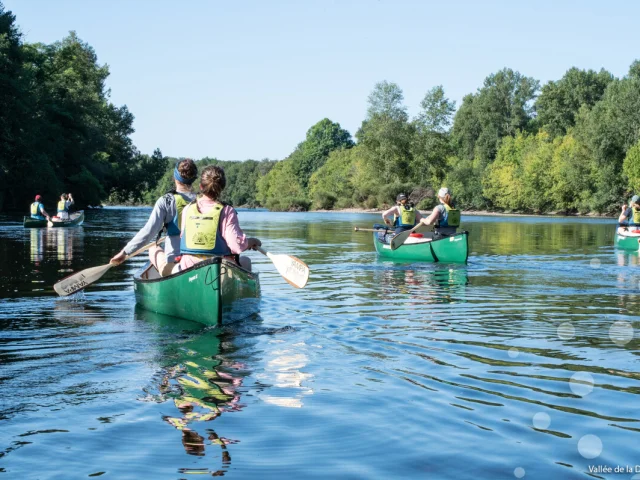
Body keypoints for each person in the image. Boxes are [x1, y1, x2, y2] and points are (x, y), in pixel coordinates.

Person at [166, 164, 261, 275]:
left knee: (174, 268)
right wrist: (252, 242)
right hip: (221, 269)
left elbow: (183, 236)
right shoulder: (227, 211)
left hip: (189, 268)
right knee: (246, 261)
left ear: (201, 186)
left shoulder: (187, 209)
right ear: (222, 187)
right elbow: (237, 246)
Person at [110, 159, 198, 276]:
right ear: (194, 179)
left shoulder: (166, 200)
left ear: (175, 177)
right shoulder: (204, 201)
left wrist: (124, 253)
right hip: (199, 260)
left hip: (175, 263)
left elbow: (148, 232)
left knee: (153, 248)